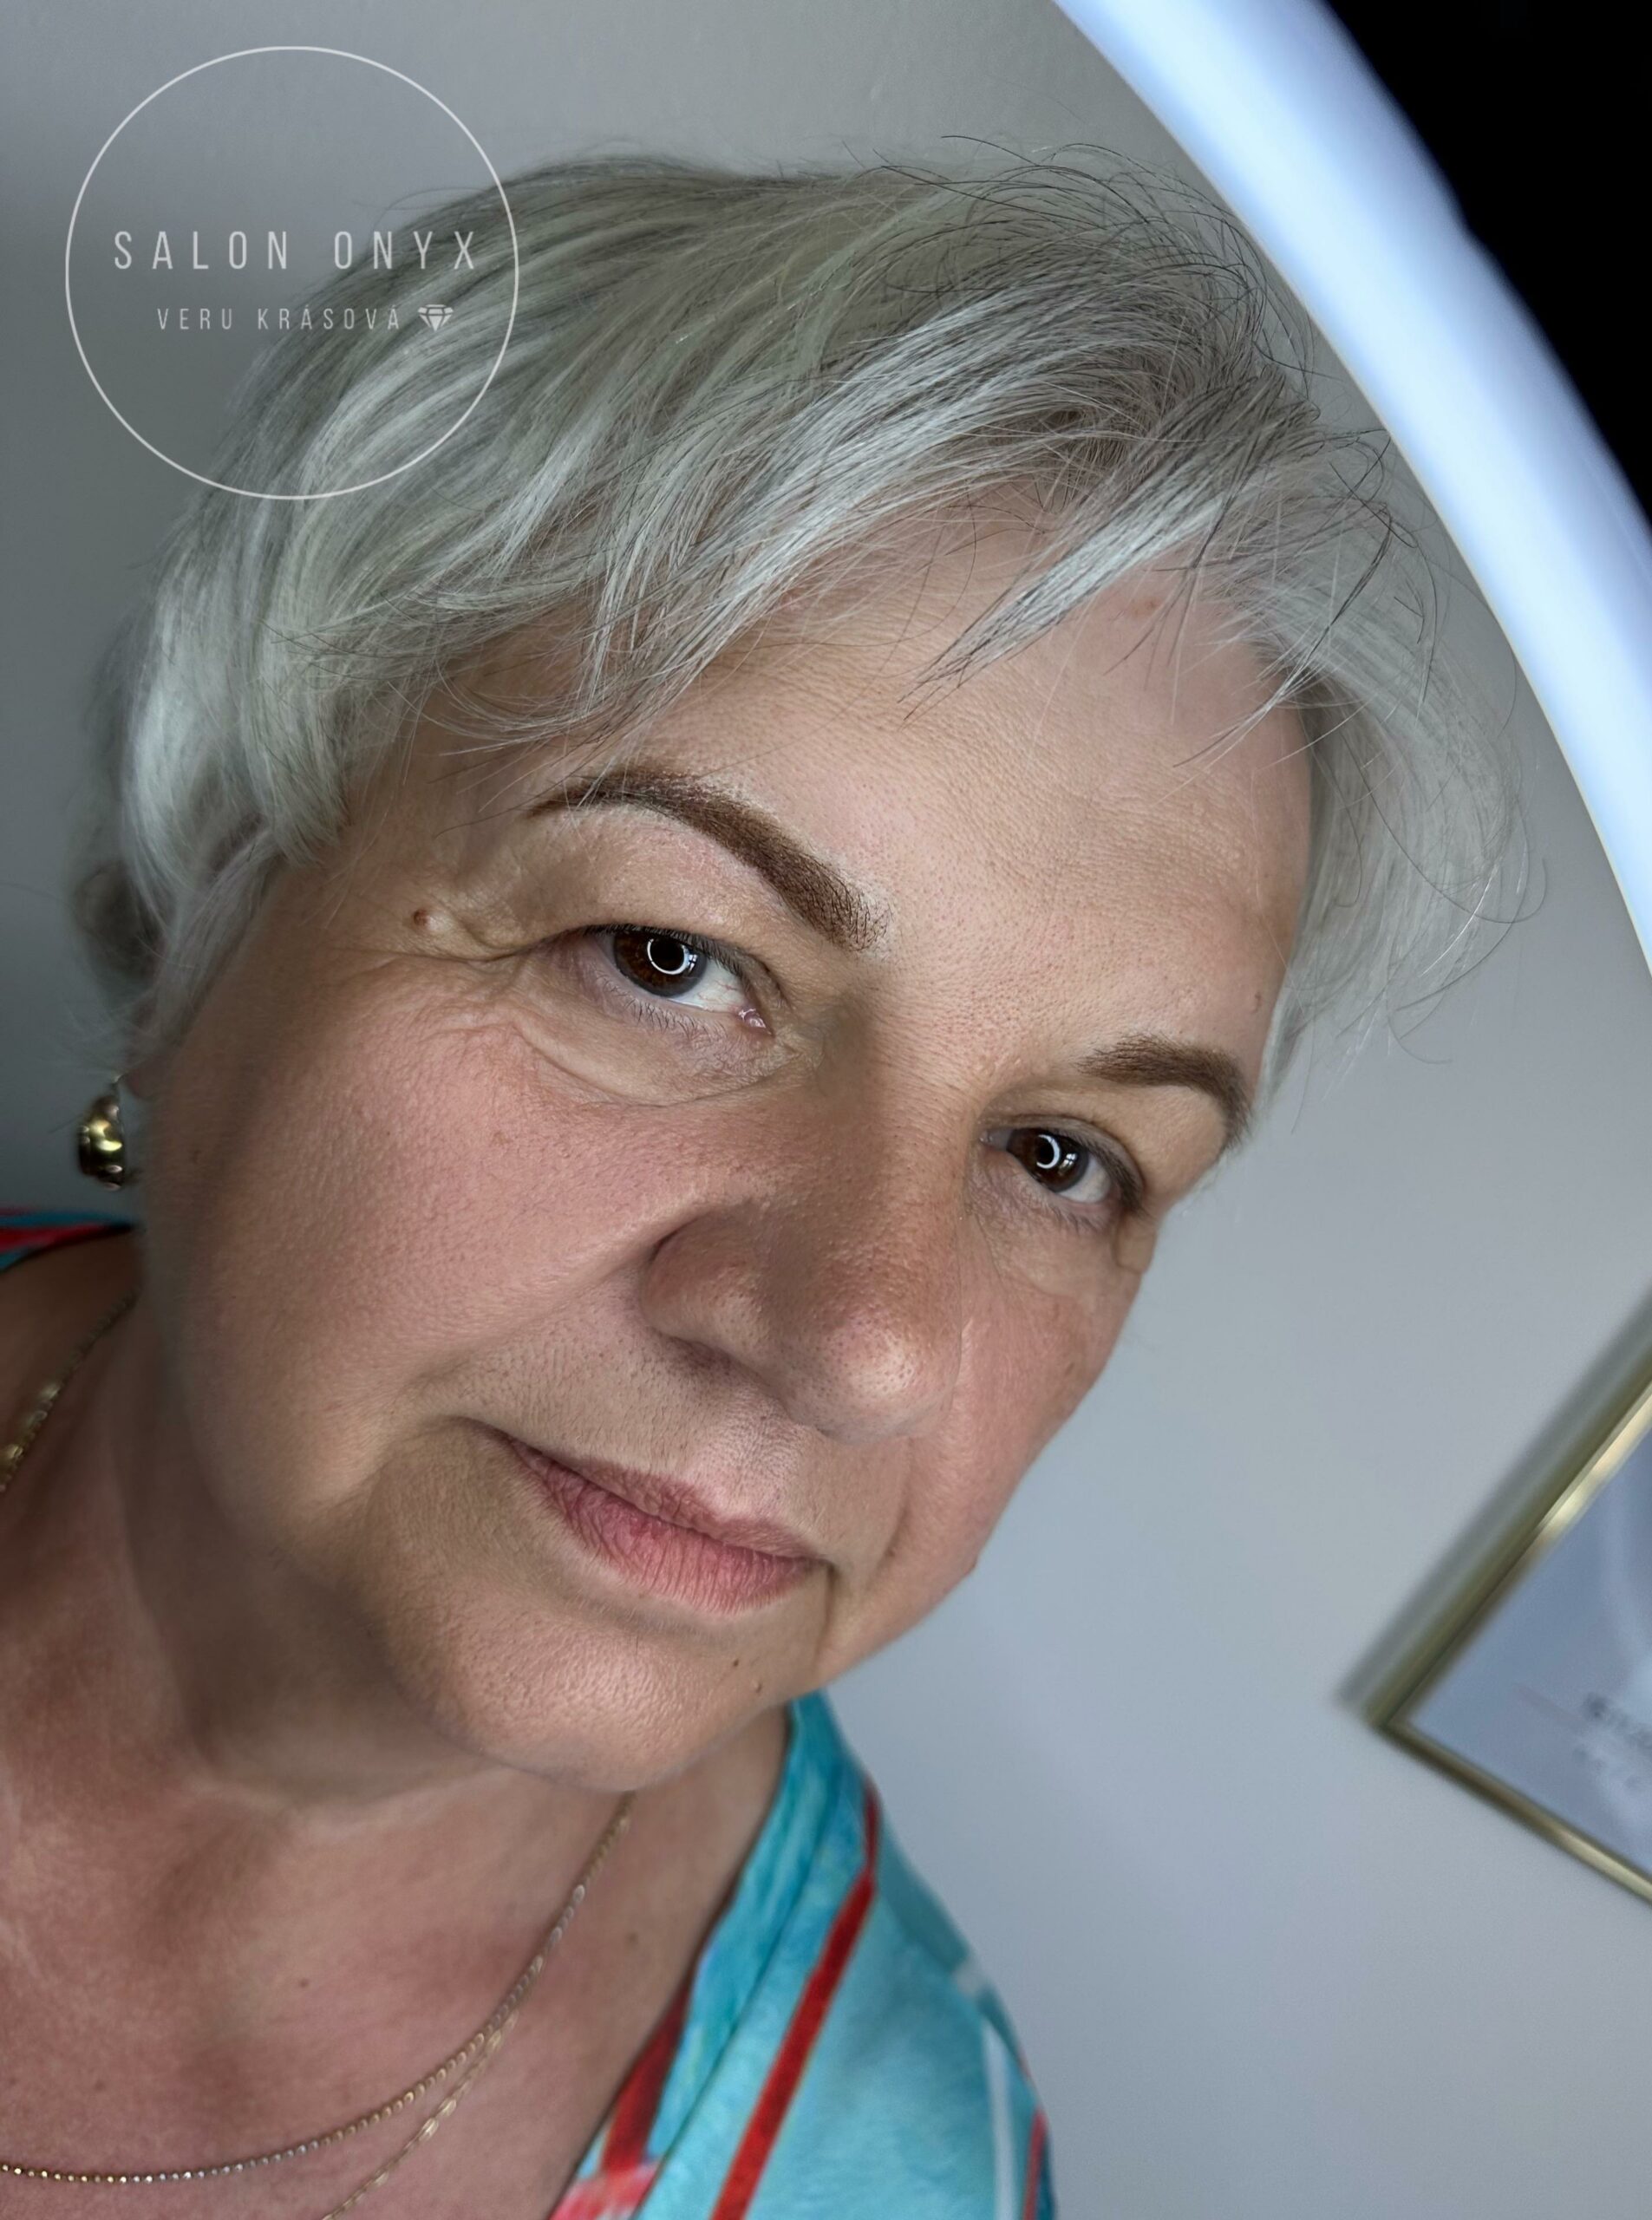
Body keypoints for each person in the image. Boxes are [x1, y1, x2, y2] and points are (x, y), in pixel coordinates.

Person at [0, 148, 1517, 2217]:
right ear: (213, 893)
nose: (862, 1340)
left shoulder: (904, 2168)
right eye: (667, 956)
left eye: (1059, 1155)